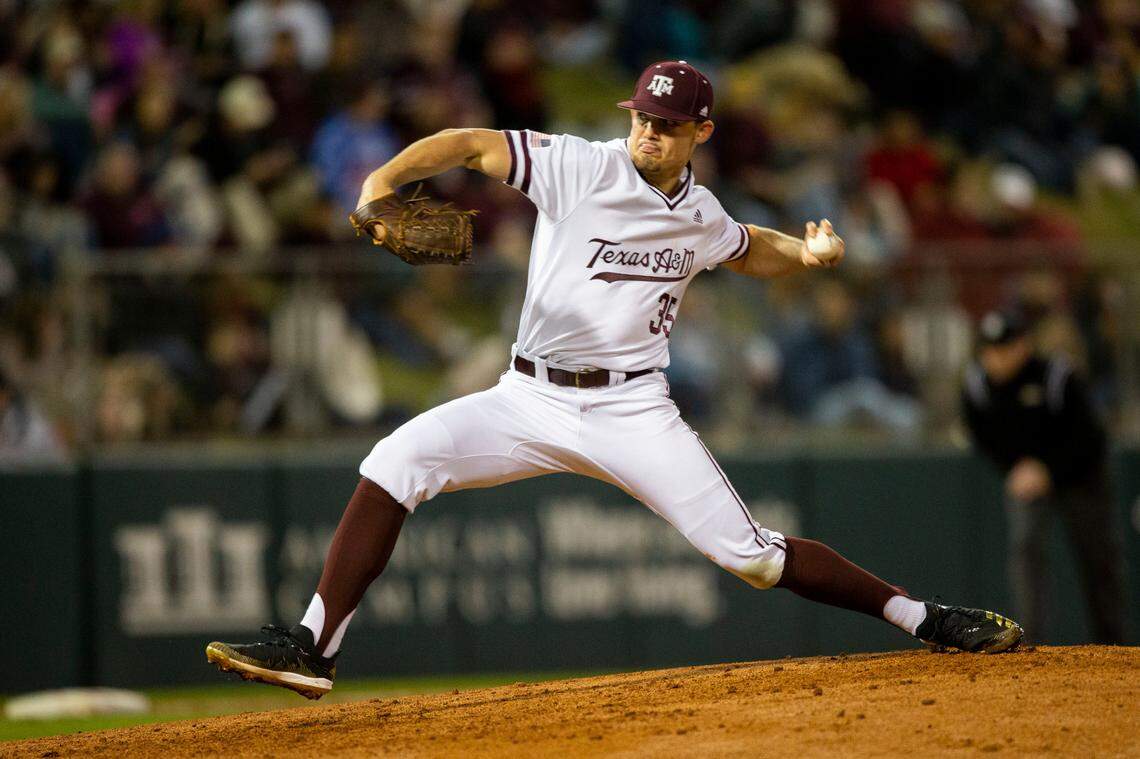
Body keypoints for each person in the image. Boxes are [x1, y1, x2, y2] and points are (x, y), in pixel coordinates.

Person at [207, 61, 1023, 699]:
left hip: (632, 407)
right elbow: (464, 142)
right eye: (642, 118)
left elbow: (747, 244)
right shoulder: (576, 166)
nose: (649, 134)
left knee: (753, 559)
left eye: (668, 125)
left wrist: (805, 256)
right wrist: (381, 185)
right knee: (396, 459)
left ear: (701, 129)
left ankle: (922, 616)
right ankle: (315, 647)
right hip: (526, 396)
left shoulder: (698, 213)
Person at [962, 309, 1126, 644]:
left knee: (1098, 557)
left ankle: (1114, 645)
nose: (996, 357)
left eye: (1004, 347)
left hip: (1079, 476)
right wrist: (1014, 470)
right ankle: (1029, 641)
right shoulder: (978, 385)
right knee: (1026, 546)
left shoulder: (1056, 376)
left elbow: (1090, 439)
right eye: (990, 349)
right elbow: (983, 437)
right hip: (1027, 479)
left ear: (1023, 346)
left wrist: (1048, 470)